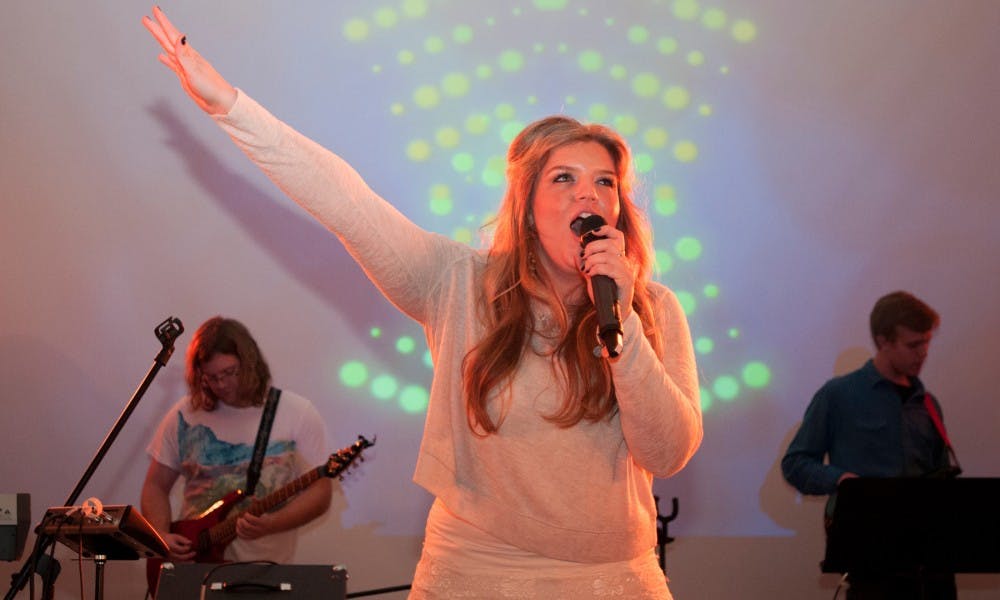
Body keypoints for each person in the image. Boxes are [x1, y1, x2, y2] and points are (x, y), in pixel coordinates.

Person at [142, 7, 703, 598]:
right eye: (564, 178)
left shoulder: (653, 310)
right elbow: (345, 200)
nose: (587, 193)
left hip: (614, 577)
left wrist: (624, 328)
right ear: (528, 205)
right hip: (475, 572)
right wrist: (230, 106)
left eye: (604, 181)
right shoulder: (457, 282)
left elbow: (666, 453)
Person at [781, 290, 956, 599]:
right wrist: (842, 481)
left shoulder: (928, 404)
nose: (923, 353)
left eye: (927, 342)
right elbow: (795, 463)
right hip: (871, 558)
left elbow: (940, 476)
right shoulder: (838, 395)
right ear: (883, 341)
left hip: (930, 563)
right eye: (914, 344)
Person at [141, 317, 332, 569]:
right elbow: (155, 486)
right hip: (193, 570)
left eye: (229, 372)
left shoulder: (297, 413)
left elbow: (320, 492)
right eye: (211, 377)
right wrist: (161, 537)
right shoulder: (184, 415)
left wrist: (272, 524)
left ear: (250, 364)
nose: (221, 384)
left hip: (263, 576)